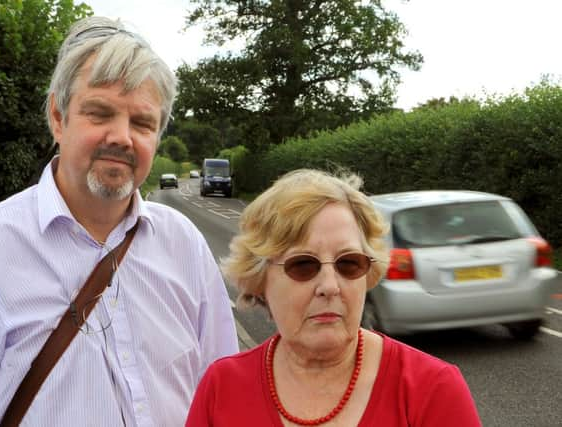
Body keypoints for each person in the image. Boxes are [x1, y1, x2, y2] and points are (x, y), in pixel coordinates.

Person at [0, 16, 238, 426]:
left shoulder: (184, 244)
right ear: (58, 117)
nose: (122, 137)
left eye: (143, 123)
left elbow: (224, 396)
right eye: (99, 113)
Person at [186, 169, 482, 426]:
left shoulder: (432, 389)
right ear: (259, 279)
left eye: (348, 263)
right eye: (303, 265)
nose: (330, 285)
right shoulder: (222, 388)